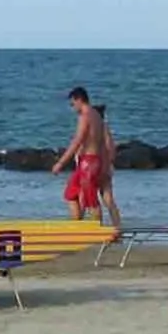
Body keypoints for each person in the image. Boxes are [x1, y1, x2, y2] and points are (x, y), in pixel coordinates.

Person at [52, 86, 107, 220]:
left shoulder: (85, 116)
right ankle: (76, 224)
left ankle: (98, 230)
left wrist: (61, 163)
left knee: (91, 199)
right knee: (71, 194)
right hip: (93, 160)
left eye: (73, 104)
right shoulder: (97, 115)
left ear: (79, 100)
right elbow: (101, 142)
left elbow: (77, 140)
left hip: (88, 162)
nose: (73, 108)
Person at [93, 103, 123, 232]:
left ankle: (97, 228)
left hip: (96, 167)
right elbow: (111, 149)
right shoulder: (105, 127)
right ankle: (117, 228)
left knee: (92, 200)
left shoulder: (96, 128)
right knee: (108, 199)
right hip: (106, 167)